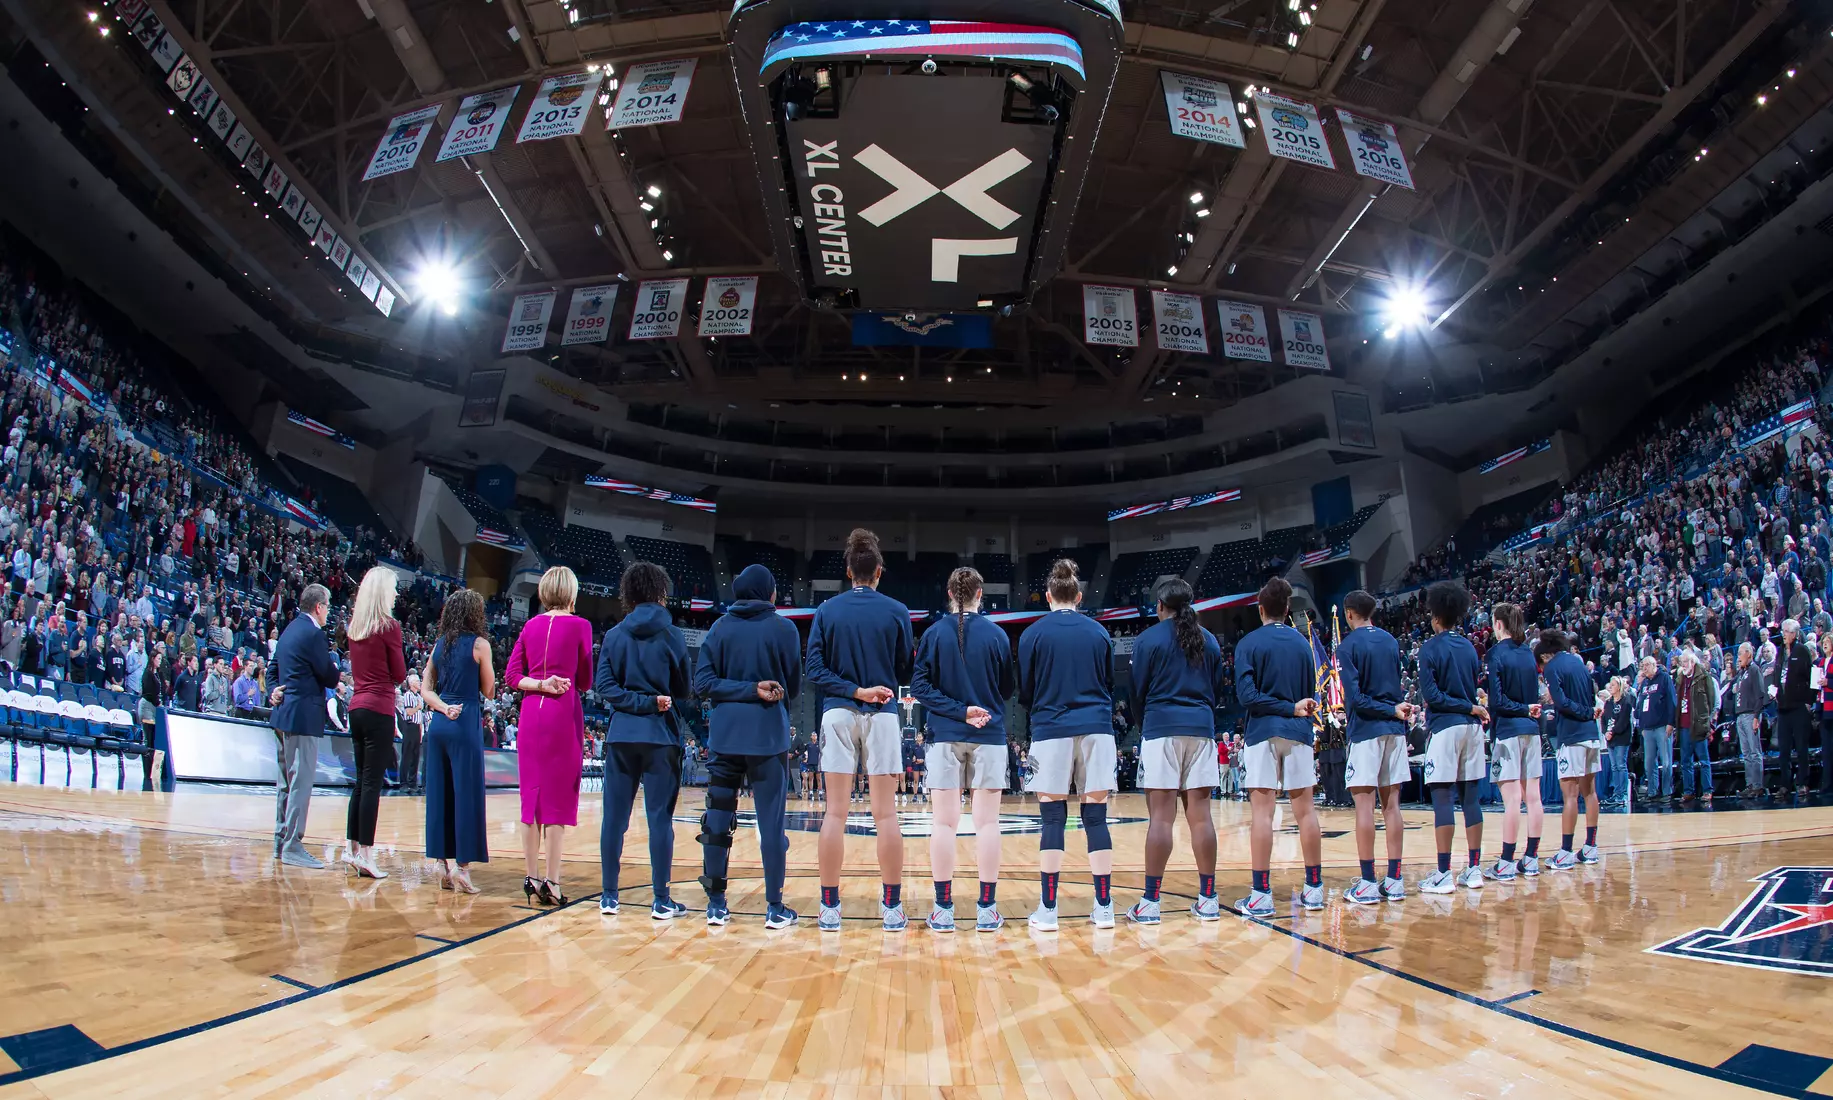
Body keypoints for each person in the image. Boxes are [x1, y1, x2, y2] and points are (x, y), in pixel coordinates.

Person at [805, 528, 914, 932]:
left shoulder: (827, 611)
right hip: (883, 713)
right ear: (879, 571)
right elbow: (905, 670)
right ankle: (892, 908)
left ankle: (829, 907)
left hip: (838, 712)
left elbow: (814, 670)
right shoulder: (897, 611)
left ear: (849, 571)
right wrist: (872, 686)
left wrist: (853, 690)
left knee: (834, 813)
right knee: (886, 815)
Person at [693, 564, 801, 928]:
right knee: (772, 825)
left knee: (717, 820)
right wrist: (757, 689)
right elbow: (792, 686)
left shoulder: (719, 628)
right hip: (768, 737)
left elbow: (703, 683)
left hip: (725, 737)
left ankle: (715, 904)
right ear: (769, 593)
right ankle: (774, 907)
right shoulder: (785, 629)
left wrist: (740, 689)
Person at [910, 566, 1013, 933]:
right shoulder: (998, 635)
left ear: (950, 594)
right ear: (980, 595)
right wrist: (976, 708)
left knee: (943, 823)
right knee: (988, 823)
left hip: (945, 734)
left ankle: (943, 909)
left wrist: (958, 711)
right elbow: (1006, 689)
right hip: (989, 734)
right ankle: (987, 909)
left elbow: (919, 687)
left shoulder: (934, 633)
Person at [1017, 558, 1118, 931]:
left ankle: (1048, 909)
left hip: (1050, 728)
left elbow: (1025, 690)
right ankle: (1104, 907)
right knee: (1096, 818)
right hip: (1096, 728)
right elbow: (1109, 682)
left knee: (1052, 819)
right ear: (1078, 596)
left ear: (1048, 596)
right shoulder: (1099, 633)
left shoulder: (1032, 635)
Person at [594, 561, 692, 920]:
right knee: (659, 820)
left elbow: (604, 686)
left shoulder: (614, 635)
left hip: (622, 735)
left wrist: (635, 701)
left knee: (614, 819)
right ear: (660, 591)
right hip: (660, 735)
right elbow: (683, 689)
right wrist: (652, 701)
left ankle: (609, 896)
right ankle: (661, 900)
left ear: (629, 593)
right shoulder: (673, 635)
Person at [1125, 578, 1226, 924]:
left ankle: (1151, 902)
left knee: (1161, 819)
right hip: (1201, 729)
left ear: (1160, 606)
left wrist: (1145, 725)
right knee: (1202, 818)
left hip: (1161, 729)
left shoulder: (1147, 640)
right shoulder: (1209, 640)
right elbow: (1217, 689)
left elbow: (1136, 692)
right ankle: (1208, 899)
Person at [505, 566, 596, 906]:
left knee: (531, 798)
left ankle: (530, 876)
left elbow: (512, 676)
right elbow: (585, 680)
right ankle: (552, 882)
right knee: (557, 800)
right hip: (562, 714)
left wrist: (541, 683)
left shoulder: (530, 625)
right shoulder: (581, 626)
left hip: (532, 713)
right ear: (572, 593)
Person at [1233, 577, 1321, 916]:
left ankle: (1261, 894)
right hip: (1299, 731)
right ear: (1286, 609)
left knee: (1262, 814)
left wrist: (1284, 707)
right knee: (1306, 812)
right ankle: (1314, 889)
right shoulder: (1303, 643)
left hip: (1263, 732)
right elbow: (1309, 693)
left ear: (1260, 610)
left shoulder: (1248, 643)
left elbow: (1247, 696)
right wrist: (1292, 708)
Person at [1335, 589, 1416, 905]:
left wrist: (1389, 709)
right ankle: (1394, 880)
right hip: (1394, 730)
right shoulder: (1391, 641)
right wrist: (1394, 710)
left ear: (1349, 613)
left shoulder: (1347, 646)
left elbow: (1355, 699)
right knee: (1392, 806)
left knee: (1365, 808)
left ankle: (1368, 882)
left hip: (1367, 731)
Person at [1416, 581, 1490, 895]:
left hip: (1446, 728)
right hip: (1472, 729)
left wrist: (1468, 706)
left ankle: (1444, 872)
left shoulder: (1429, 649)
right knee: (1471, 799)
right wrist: (1471, 707)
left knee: (1443, 798)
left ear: (1436, 616)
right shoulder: (1469, 647)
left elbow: (1433, 696)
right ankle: (1473, 869)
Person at [420, 588, 494, 894]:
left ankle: (442, 865)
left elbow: (425, 689)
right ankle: (462, 869)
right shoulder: (480, 645)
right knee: (467, 795)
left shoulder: (439, 645)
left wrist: (442, 707)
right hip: (465, 721)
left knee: (439, 795)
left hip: (439, 724)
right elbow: (489, 690)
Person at [269, 583, 341, 869]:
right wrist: (335, 666)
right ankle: (293, 846)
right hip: (302, 719)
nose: (329, 612)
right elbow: (329, 676)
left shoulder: (288, 630)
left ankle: (280, 842)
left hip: (282, 716)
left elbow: (272, 669)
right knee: (300, 784)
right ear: (319, 607)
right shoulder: (314, 634)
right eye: (328, 606)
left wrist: (273, 691)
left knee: (285, 784)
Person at [343, 567, 405, 880]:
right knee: (372, 784)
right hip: (379, 708)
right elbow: (400, 674)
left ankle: (351, 848)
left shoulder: (355, 627)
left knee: (360, 782)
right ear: (382, 592)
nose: (396, 594)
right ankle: (367, 854)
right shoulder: (389, 627)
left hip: (356, 708)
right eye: (393, 589)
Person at [1483, 603, 1544, 882]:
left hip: (1508, 731)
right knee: (1534, 797)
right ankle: (1530, 859)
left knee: (1512, 800)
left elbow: (1497, 701)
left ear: (1498, 624)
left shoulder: (1496, 653)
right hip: (1531, 730)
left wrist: (1520, 709)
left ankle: (1506, 862)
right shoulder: (1528, 653)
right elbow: (1533, 697)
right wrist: (1527, 710)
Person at [1537, 629, 1604, 869]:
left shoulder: (1552, 667)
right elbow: (1591, 698)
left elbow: (1563, 702)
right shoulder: (1580, 664)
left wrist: (1583, 712)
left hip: (1572, 736)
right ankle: (1590, 848)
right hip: (1591, 735)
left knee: (1570, 795)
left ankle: (1565, 852)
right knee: (1590, 792)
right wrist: (1588, 713)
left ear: (1545, 656)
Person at [1774, 617, 1814, 798]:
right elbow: (1777, 674)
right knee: (1783, 750)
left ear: (1795, 634)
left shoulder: (1802, 650)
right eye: (1783, 631)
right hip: (1783, 707)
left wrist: (1809, 701)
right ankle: (1785, 784)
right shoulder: (1780, 652)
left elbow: (1812, 676)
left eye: (1787, 632)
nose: (1784, 635)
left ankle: (1803, 782)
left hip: (1799, 707)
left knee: (1801, 747)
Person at [1635, 655, 1677, 806]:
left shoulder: (1664, 678)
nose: (1644, 668)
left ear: (1654, 665)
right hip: (1647, 728)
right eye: (1642, 665)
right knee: (1649, 763)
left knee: (1666, 762)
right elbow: (1640, 705)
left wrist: (1671, 723)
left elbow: (1672, 701)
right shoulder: (1645, 683)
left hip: (1662, 726)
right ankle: (1652, 792)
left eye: (1646, 665)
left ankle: (1667, 791)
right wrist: (1642, 726)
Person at [1674, 650, 1715, 805]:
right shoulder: (1680, 679)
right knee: (1686, 761)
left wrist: (1706, 720)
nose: (1683, 665)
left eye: (1685, 661)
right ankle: (1688, 791)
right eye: (1682, 662)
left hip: (1698, 725)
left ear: (1693, 662)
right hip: (1683, 726)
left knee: (1704, 760)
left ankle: (1707, 790)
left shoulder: (1704, 677)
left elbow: (1711, 701)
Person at [1600, 676, 1636, 806]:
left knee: (1621, 765)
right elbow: (1603, 720)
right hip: (1610, 739)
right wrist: (1605, 732)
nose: (1610, 687)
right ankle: (1616, 793)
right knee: (1614, 767)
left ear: (1619, 686)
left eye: (1613, 684)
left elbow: (1623, 722)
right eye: (1610, 684)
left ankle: (1623, 795)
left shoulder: (1626, 701)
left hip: (1621, 738)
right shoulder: (1608, 702)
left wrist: (1613, 732)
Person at [397, 673, 424, 791]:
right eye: (417, 681)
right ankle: (403, 783)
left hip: (417, 727)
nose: (420, 683)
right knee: (407, 755)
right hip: (409, 726)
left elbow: (420, 717)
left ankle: (412, 783)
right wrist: (418, 707)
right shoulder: (408, 695)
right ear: (412, 683)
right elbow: (408, 712)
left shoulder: (419, 696)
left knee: (415, 756)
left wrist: (421, 732)